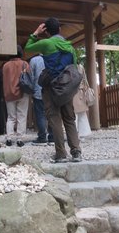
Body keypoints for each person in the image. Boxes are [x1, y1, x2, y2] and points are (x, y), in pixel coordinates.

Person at [25, 17, 82, 162]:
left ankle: (61, 154)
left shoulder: (46, 43)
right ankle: (76, 152)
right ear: (60, 30)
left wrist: (35, 33)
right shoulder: (69, 46)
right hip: (66, 88)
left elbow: (27, 49)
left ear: (46, 32)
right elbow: (73, 67)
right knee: (69, 119)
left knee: (55, 119)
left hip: (51, 87)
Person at [2, 45, 30, 147]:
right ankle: (20, 138)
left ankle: (9, 137)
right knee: (21, 116)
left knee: (11, 117)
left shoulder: (5, 65)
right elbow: (29, 77)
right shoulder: (24, 64)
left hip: (9, 93)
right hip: (22, 93)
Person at [29, 54, 53, 144]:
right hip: (52, 91)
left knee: (40, 115)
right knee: (51, 114)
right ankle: (52, 136)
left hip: (38, 90)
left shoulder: (34, 60)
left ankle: (42, 137)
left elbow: (31, 76)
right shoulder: (53, 58)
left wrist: (31, 90)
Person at [73, 64, 92, 140]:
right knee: (82, 114)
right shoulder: (80, 67)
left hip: (73, 92)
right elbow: (85, 80)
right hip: (81, 92)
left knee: (74, 114)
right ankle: (83, 134)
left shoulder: (71, 66)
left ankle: (74, 134)